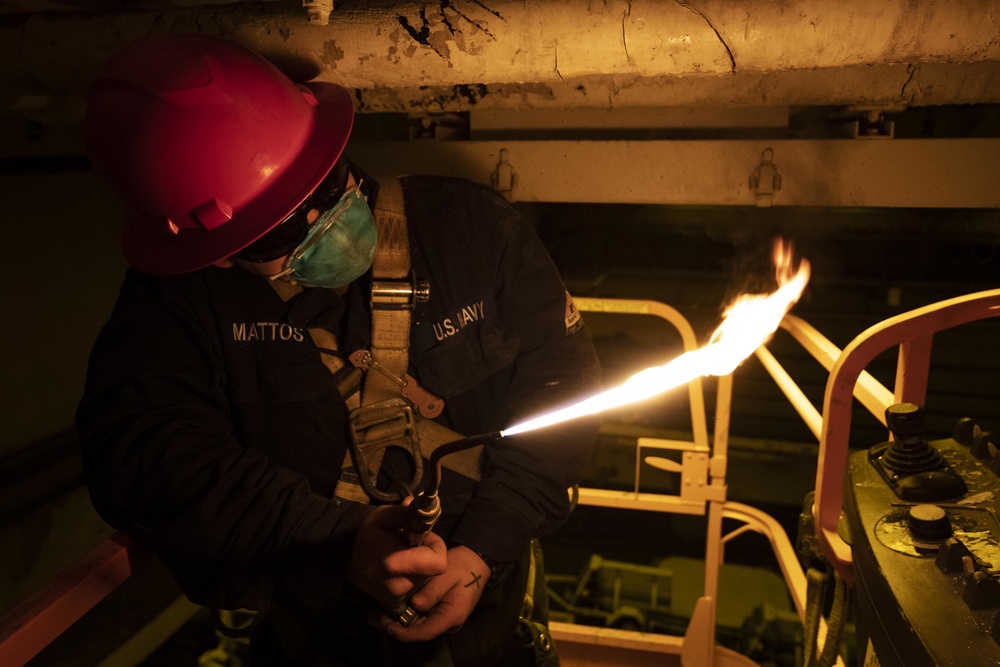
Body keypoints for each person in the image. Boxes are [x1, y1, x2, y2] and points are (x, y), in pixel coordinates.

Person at [76, 34, 601, 666]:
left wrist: (483, 550)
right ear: (218, 250)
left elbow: (564, 389)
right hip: (320, 629)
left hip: (491, 594)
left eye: (326, 186)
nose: (326, 219)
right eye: (283, 227)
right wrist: (331, 541)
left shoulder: (472, 229)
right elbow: (143, 451)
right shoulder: (183, 300)